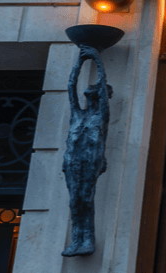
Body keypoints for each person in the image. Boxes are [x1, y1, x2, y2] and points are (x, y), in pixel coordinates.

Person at [62, 44, 111, 257]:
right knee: (74, 200)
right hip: (72, 160)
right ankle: (76, 239)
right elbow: (71, 86)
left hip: (91, 161)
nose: (90, 92)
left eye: (96, 92)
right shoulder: (77, 114)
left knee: (86, 198)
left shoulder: (100, 116)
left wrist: (97, 59)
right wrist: (80, 61)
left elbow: (101, 89)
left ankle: (88, 239)